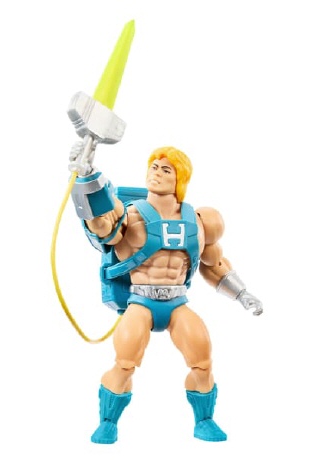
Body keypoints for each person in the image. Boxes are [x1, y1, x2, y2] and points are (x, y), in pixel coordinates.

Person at [72, 146, 262, 444]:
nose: (156, 173)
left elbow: (213, 264)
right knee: (125, 363)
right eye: (153, 167)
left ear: (180, 179)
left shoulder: (200, 221)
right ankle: (107, 422)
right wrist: (87, 179)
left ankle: (204, 420)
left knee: (203, 362)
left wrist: (242, 294)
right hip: (140, 301)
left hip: (177, 302)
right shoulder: (130, 213)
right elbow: (102, 227)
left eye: (165, 169)